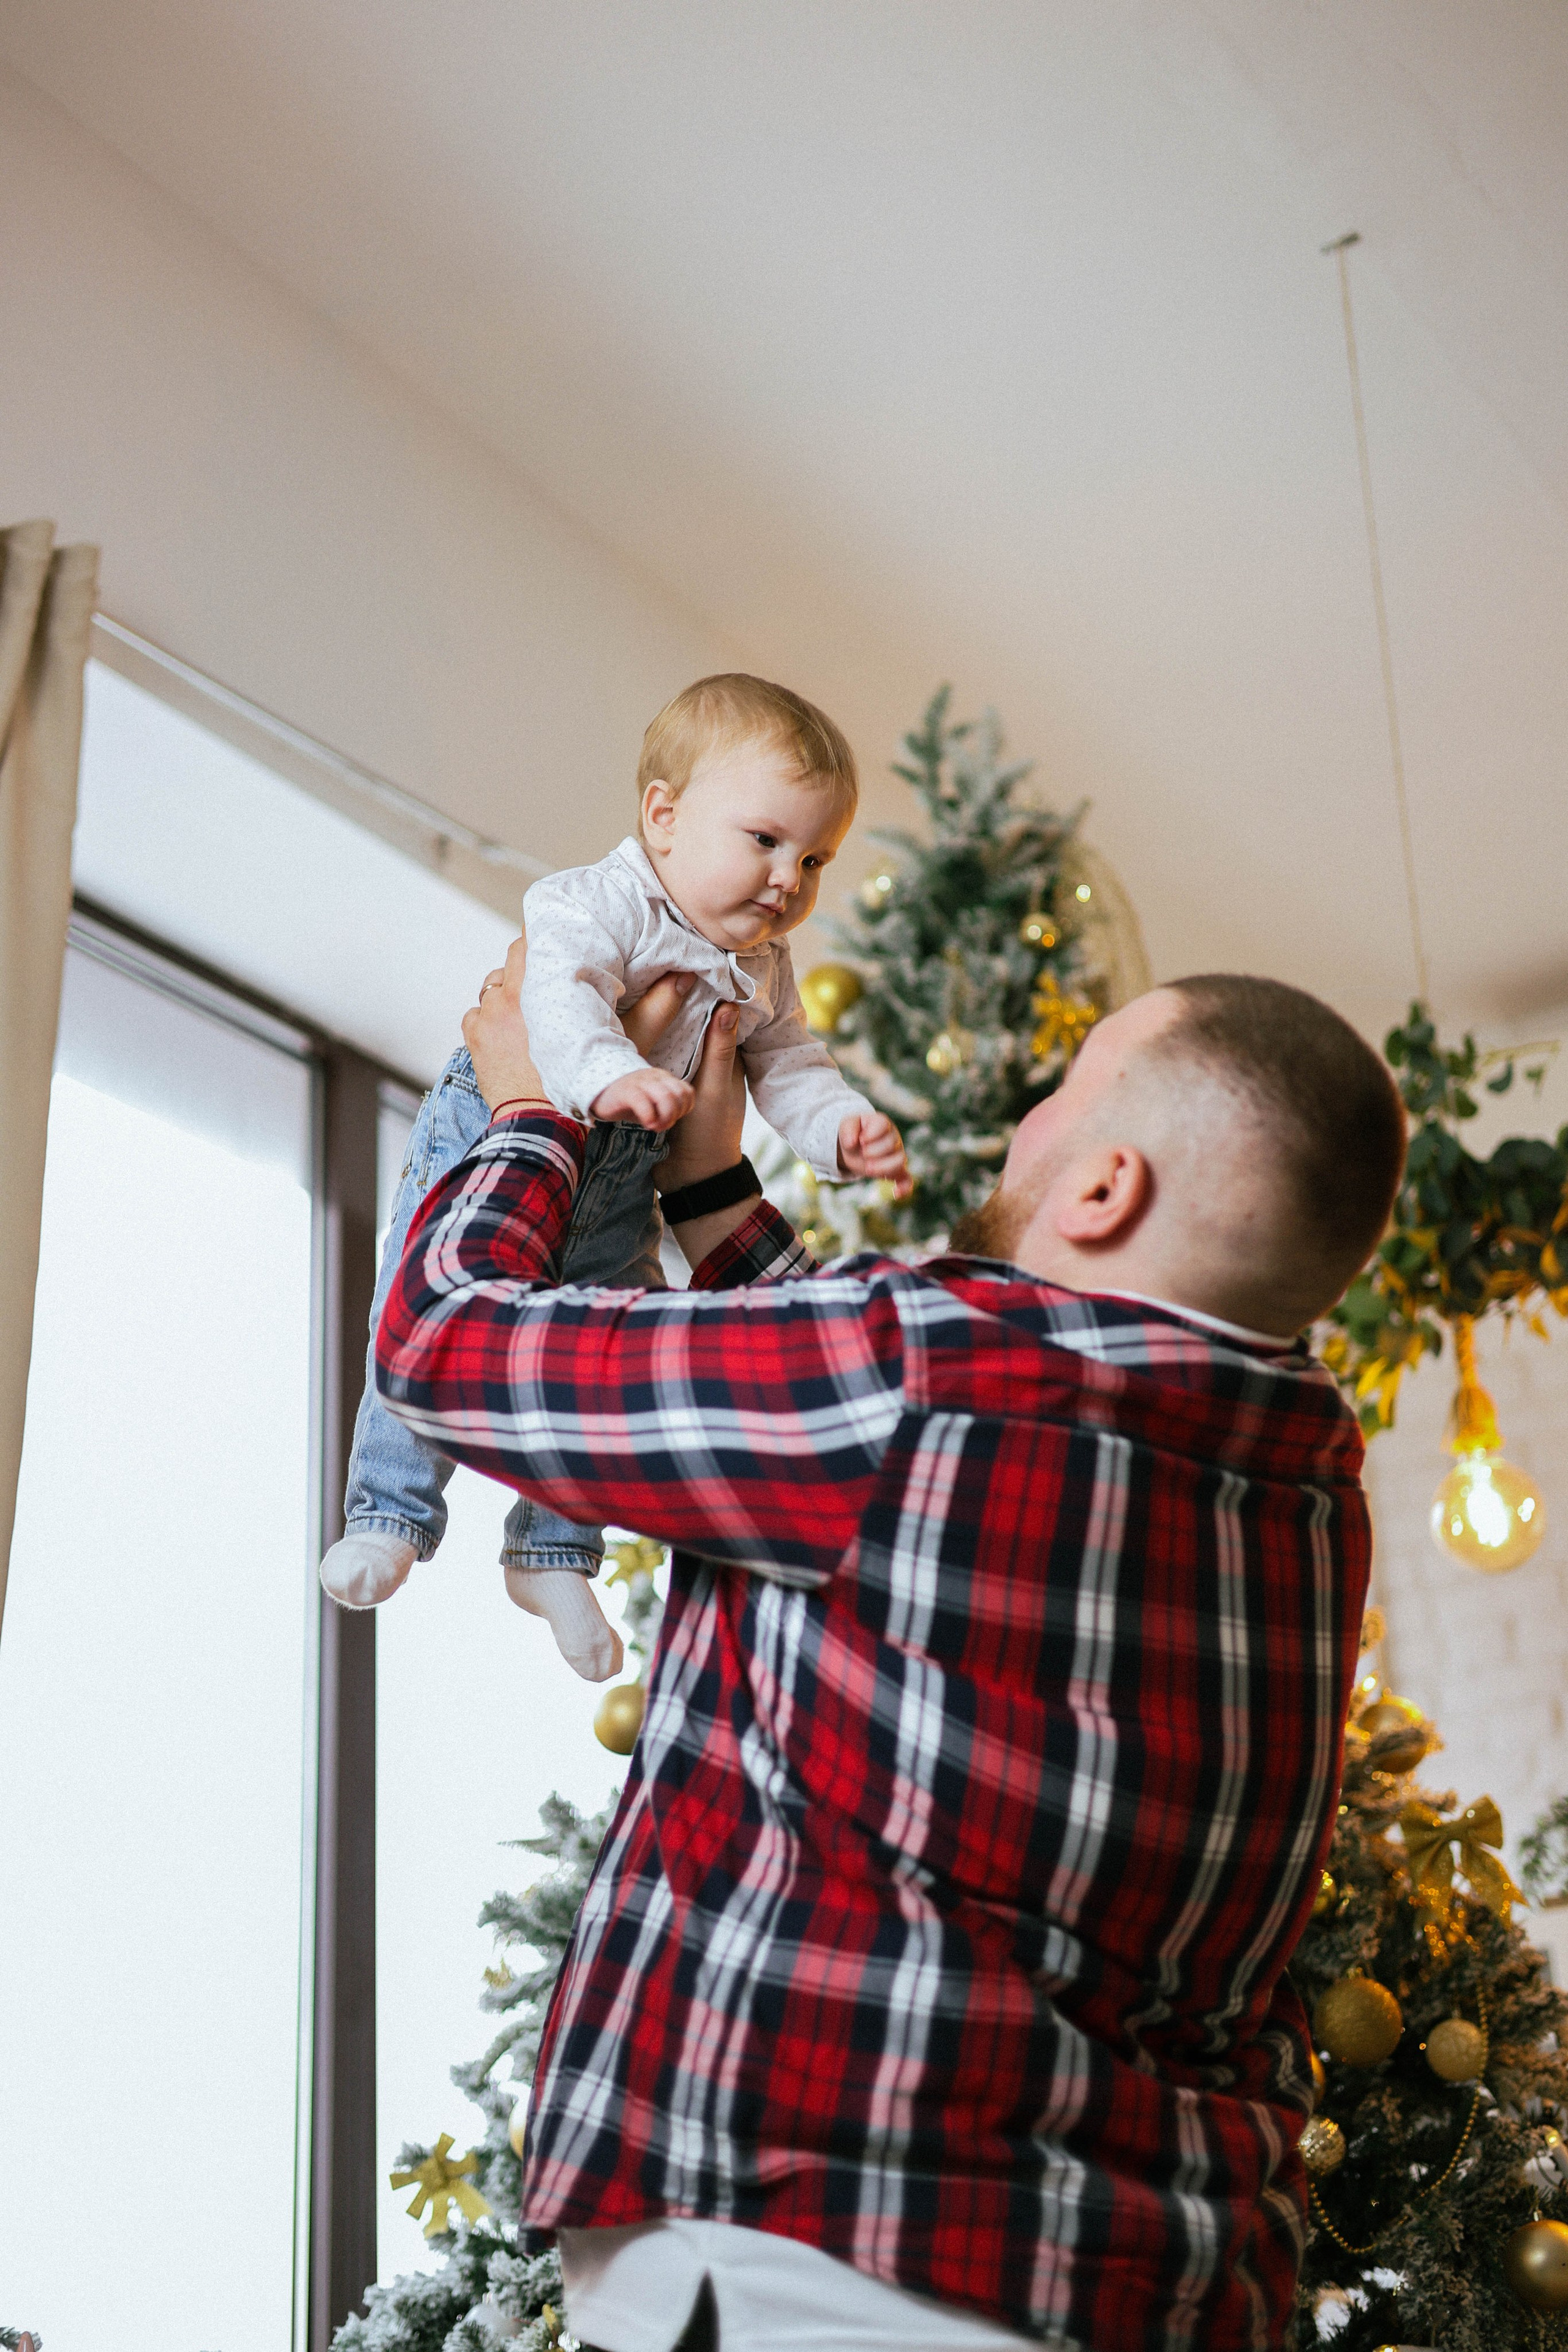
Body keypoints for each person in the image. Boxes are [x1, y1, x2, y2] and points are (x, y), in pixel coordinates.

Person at [373, 941, 1406, 2352]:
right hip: (1161, 2291)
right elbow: (899, 1468)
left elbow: (445, 1345)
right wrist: (714, 1192)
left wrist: (530, 1113)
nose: (1026, 1123)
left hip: (832, 2276)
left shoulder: (929, 1373)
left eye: (1060, 1096)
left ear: (1105, 1188)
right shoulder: (1306, 1503)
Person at [318, 673, 907, 1679]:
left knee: (605, 1347)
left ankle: (551, 1555)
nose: (788, 880)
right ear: (664, 817)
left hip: (631, 1169)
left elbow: (790, 1067)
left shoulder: (766, 965)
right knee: (424, 1301)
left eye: (814, 859)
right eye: (765, 840)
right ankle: (390, 1515)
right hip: (501, 1122)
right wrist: (606, 1074)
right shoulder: (598, 900)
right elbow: (556, 997)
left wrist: (840, 1130)